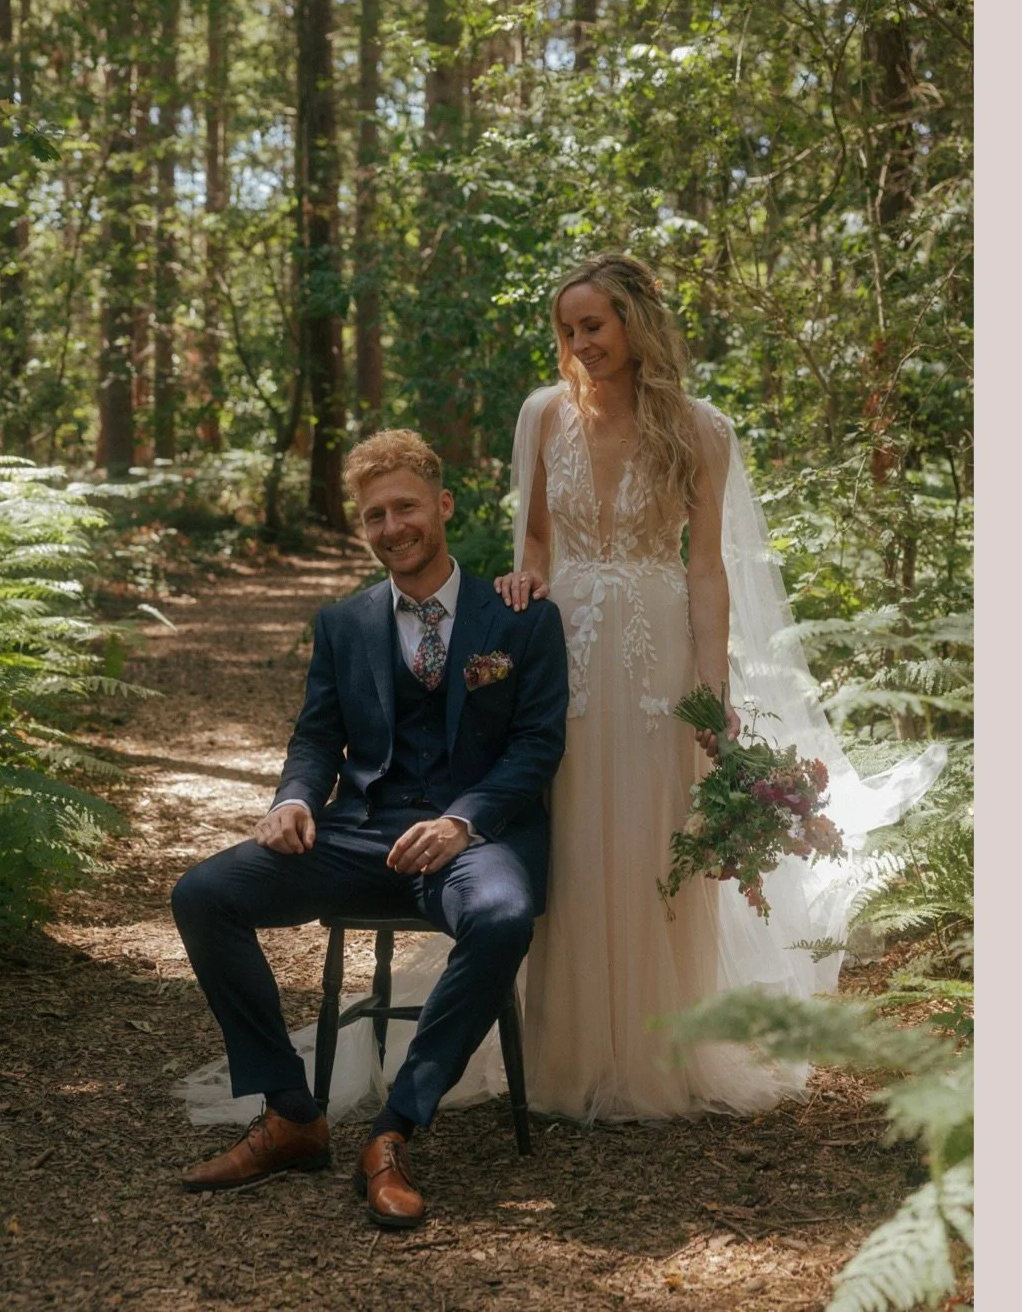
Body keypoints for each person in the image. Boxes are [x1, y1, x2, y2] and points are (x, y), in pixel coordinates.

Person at [493, 252, 946, 1122]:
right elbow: (537, 544)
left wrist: (712, 688)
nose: (579, 343)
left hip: (661, 650)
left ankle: (659, 1049)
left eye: (594, 324)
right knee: (573, 828)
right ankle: (562, 1049)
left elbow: (706, 570)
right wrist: (525, 583)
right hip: (567, 649)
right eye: (567, 330)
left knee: (657, 835)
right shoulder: (542, 416)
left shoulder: (701, 429)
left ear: (634, 321)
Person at [170, 429, 568, 1226]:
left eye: (406, 508)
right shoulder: (345, 622)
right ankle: (292, 1113)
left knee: (500, 918)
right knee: (204, 893)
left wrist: (462, 820)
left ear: (443, 506)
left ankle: (394, 1130)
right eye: (374, 515)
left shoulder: (520, 617)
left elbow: (537, 747)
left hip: (476, 840)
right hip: (364, 833)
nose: (392, 527)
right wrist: (292, 799)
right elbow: (317, 738)